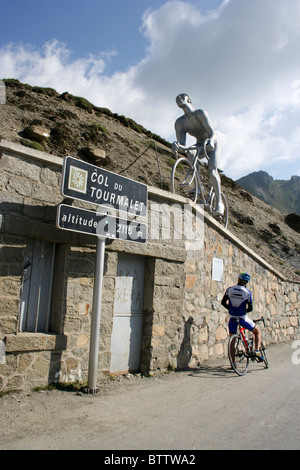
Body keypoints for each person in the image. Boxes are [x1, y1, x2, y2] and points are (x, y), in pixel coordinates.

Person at [172, 93, 224, 216]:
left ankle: (219, 203)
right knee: (190, 152)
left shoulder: (200, 113)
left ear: (189, 99)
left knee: (212, 171)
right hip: (200, 145)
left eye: (182, 96)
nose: (179, 98)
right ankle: (197, 187)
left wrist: (211, 141)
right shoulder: (180, 123)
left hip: (212, 142)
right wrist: (177, 146)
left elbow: (212, 133)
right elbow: (183, 146)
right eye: (177, 98)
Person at [221, 272, 264, 361]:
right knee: (257, 332)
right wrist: (243, 311)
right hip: (242, 318)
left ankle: (233, 362)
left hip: (232, 317)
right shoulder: (247, 292)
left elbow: (223, 302)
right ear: (246, 282)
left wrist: (230, 309)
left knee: (232, 339)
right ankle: (257, 351)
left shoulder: (230, 289)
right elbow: (250, 308)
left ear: (238, 279)